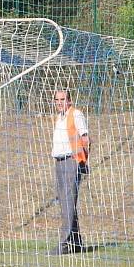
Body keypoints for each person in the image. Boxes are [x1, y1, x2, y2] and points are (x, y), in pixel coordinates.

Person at [49, 89, 91, 255]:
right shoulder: (59, 118)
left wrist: (82, 161)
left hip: (71, 161)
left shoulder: (76, 114)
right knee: (66, 203)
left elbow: (86, 138)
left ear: (70, 101)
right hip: (59, 162)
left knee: (67, 202)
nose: (60, 102)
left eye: (63, 99)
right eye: (57, 99)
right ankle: (77, 242)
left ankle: (65, 244)